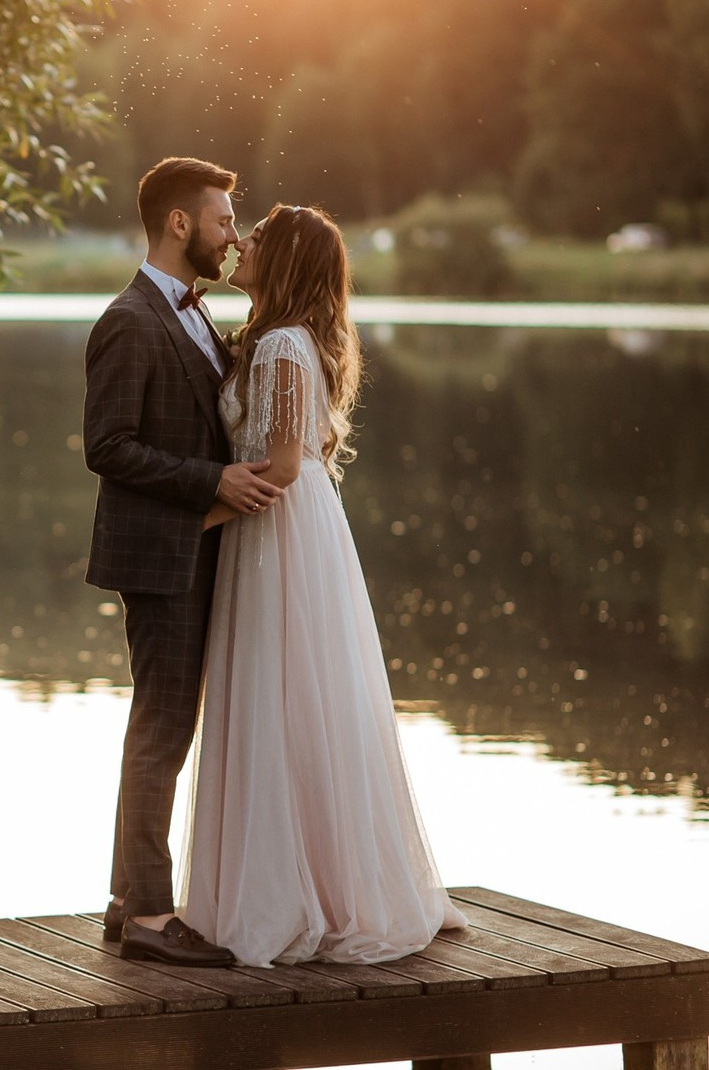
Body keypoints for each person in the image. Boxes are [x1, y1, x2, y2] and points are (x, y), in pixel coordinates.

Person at [179, 203, 466, 966]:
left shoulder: (277, 345)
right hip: (293, 527)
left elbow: (275, 465)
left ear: (287, 262)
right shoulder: (286, 339)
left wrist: (187, 524)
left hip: (275, 530)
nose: (241, 242)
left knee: (280, 693)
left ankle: (296, 893)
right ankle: (323, 876)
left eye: (258, 238)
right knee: (300, 698)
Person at [82, 157, 283, 967]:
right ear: (179, 223)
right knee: (162, 728)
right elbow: (108, 447)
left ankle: (128, 897)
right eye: (224, 219)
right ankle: (152, 918)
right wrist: (214, 479)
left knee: (163, 724)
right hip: (161, 552)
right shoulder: (130, 319)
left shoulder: (194, 314)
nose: (233, 233)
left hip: (192, 544)